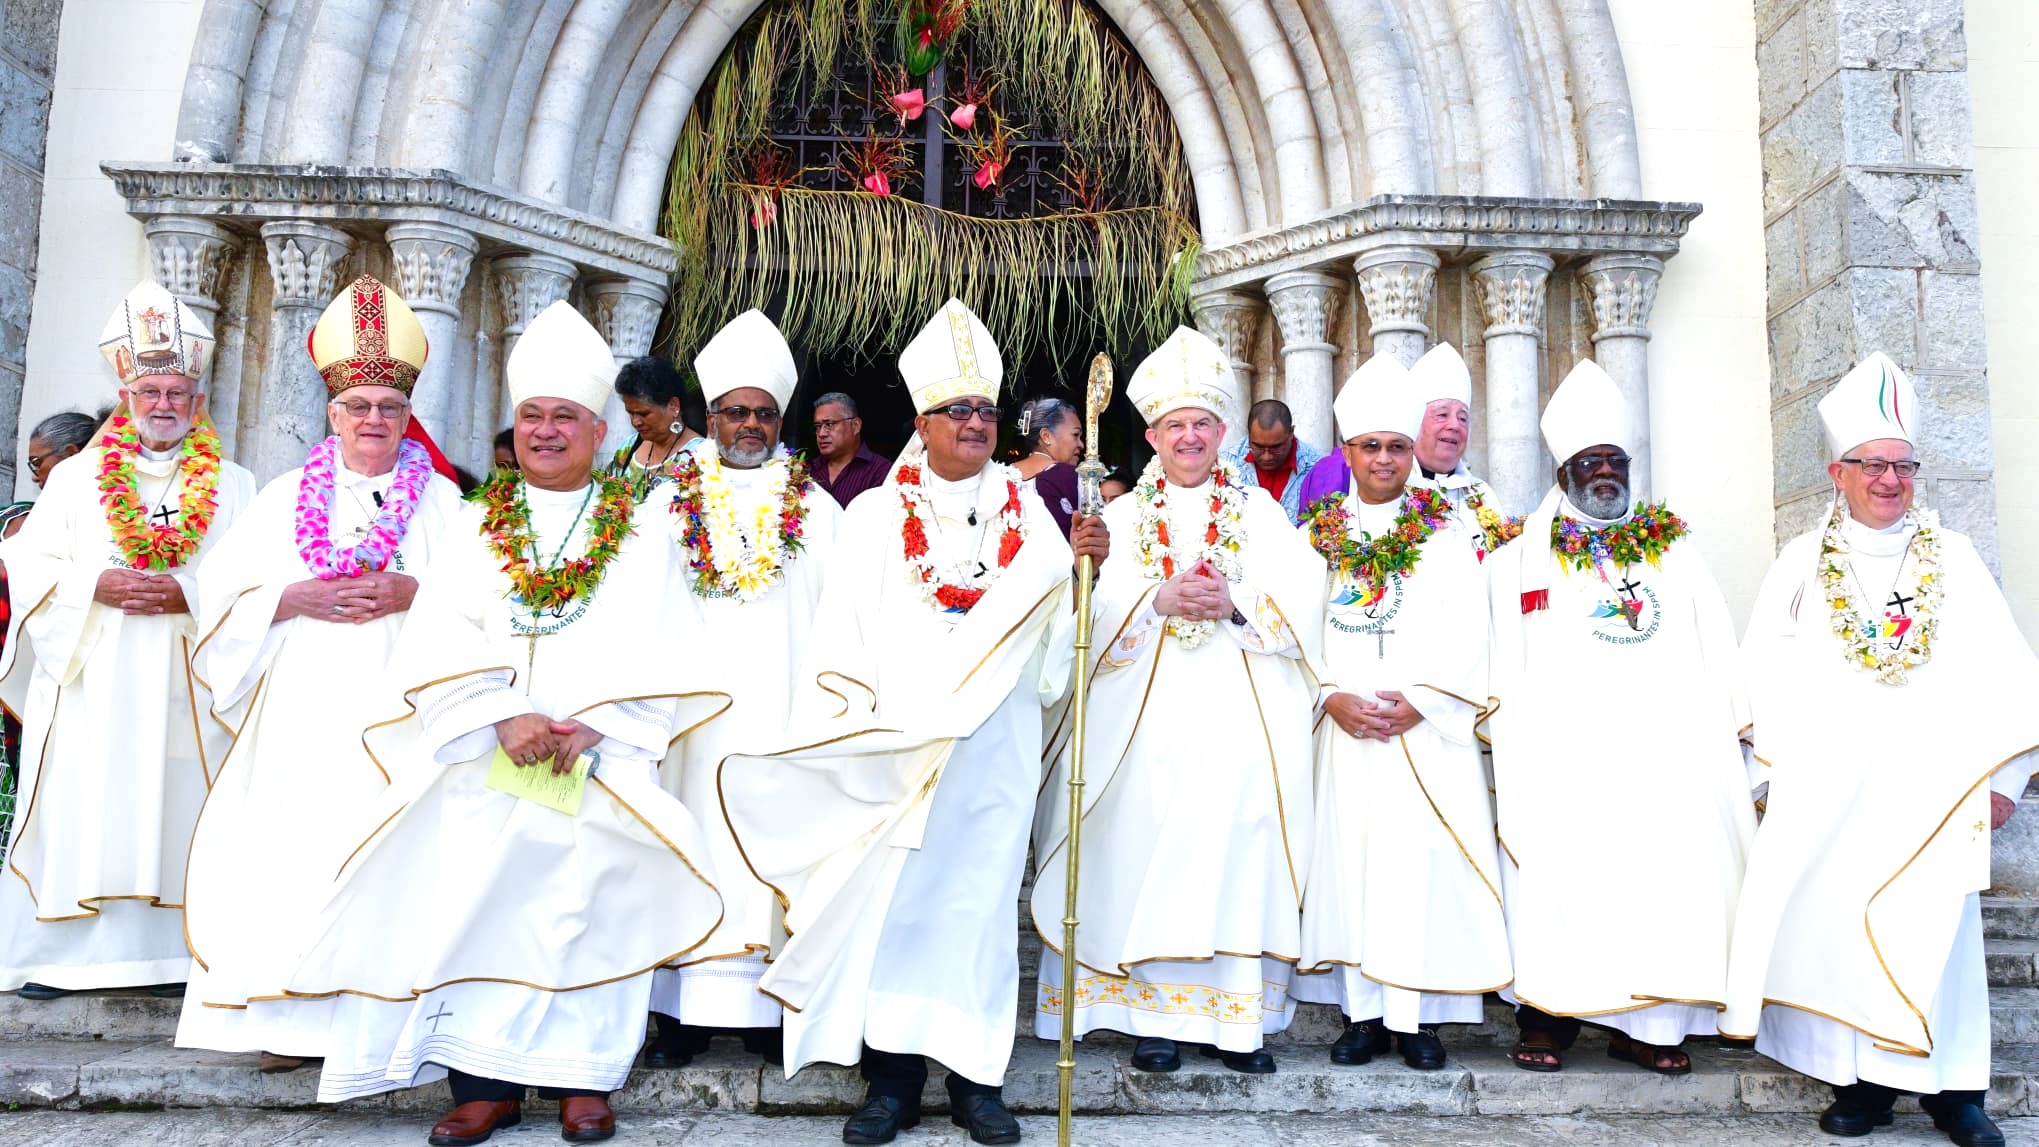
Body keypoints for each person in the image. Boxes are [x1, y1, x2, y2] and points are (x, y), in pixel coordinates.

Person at [272, 300, 725, 1146]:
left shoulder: (645, 526)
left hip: (599, 753)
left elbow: (666, 634)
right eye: (531, 417)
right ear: (512, 431)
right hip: (490, 749)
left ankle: (583, 1081)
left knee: (588, 904)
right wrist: (504, 712)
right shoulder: (479, 523)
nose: (546, 431)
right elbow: (441, 630)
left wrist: (591, 724)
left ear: (599, 431)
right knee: (475, 902)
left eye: (565, 416)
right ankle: (484, 1082)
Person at [719, 298, 1102, 1146]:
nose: (974, 421)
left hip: (989, 745)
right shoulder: (872, 516)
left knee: (977, 905)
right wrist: (850, 725)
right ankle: (889, 1081)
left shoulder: (1030, 511)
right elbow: (839, 636)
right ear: (921, 422)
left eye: (984, 410)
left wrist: (1084, 575)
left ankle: (976, 1080)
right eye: (956, 409)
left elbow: (1050, 637)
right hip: (895, 746)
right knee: (891, 907)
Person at [1723, 353, 2038, 1147]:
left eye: (1901, 465)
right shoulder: (1800, 564)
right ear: (1838, 472)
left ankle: (1954, 1092)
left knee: (1938, 939)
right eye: (1871, 464)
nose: (1888, 480)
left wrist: (2001, 775)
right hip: (1833, 793)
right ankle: (1861, 1085)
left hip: (1934, 794)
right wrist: (1773, 774)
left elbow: (2006, 668)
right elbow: (1760, 667)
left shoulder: (1954, 558)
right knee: (1843, 933)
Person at [172, 276, 464, 1075]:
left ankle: (388, 1020)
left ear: (409, 417)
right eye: (359, 406)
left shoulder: (443, 503)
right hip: (301, 711)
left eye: (389, 408)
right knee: (294, 852)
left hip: (404, 714)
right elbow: (218, 597)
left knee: (392, 855)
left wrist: (415, 590)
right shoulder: (277, 500)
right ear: (333, 413)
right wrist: (287, 596)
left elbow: (484, 604)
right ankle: (289, 1017)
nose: (374, 420)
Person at [1033, 326, 1324, 1076]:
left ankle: (1237, 1024)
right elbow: (1083, 622)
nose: (1188, 436)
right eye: (1174, 425)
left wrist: (1233, 601)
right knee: (1140, 850)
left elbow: (1305, 601)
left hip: (1239, 718)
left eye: (1201, 423)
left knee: (1237, 851)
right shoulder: (1121, 519)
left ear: (1222, 433)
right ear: (1152, 436)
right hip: (1143, 724)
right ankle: (1150, 1018)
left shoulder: (1259, 514)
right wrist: (1154, 598)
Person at [1483, 360, 1755, 1075]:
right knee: (1559, 882)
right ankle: (1547, 1014)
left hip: (1667, 760)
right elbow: (1496, 662)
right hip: (1565, 761)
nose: (1604, 471)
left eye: (1614, 459)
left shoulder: (1675, 552)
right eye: (1588, 461)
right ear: (1562, 471)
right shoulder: (1515, 563)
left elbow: (1716, 646)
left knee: (1662, 888)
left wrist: (1733, 729)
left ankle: (1650, 1027)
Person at [0, 280, 258, 999]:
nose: (165, 405)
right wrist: (93, 587)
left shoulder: (234, 485)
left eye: (179, 392)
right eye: (151, 391)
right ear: (127, 394)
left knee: (180, 806)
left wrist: (190, 590)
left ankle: (178, 955)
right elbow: (27, 565)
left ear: (198, 401)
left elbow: (258, 583)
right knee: (86, 803)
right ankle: (63, 958)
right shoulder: (77, 479)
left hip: (188, 687)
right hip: (91, 676)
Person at [1292, 352, 1508, 1071]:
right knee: (1353, 863)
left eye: (1394, 445)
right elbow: (1292, 628)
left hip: (1424, 730)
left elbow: (1471, 630)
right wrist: (1330, 696)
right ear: (1346, 451)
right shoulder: (1315, 538)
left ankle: (1418, 1019)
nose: (1382, 458)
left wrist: (1421, 702)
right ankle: (1361, 1014)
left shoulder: (1446, 534)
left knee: (1421, 866)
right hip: (1346, 730)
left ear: (1411, 452)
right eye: (1368, 445)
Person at [642, 309, 842, 1069]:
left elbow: (840, 620)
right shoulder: (663, 508)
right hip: (688, 724)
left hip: (781, 720)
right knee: (683, 850)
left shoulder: (819, 512)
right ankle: (679, 1015)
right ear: (709, 416)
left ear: (779, 419)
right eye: (735, 412)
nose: (749, 424)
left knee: (770, 856)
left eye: (762, 413)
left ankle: (764, 1010)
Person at [606, 354, 699, 500]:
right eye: (631, 413)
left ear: (673, 406)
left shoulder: (700, 457)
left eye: (644, 413)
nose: (636, 422)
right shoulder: (629, 447)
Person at [1219, 398, 1324, 522]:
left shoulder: (1317, 468)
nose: (1266, 456)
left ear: (1291, 433)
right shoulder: (1224, 464)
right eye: (1258, 447)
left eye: (1276, 447)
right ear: (1249, 433)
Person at [1012, 396, 1081, 537]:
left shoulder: (1001, 474)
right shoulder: (1069, 477)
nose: (1081, 444)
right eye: (1075, 435)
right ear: (1046, 436)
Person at [810, 391, 890, 508]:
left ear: (855, 425)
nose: (821, 433)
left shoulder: (880, 471)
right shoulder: (808, 470)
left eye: (829, 424)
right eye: (817, 427)